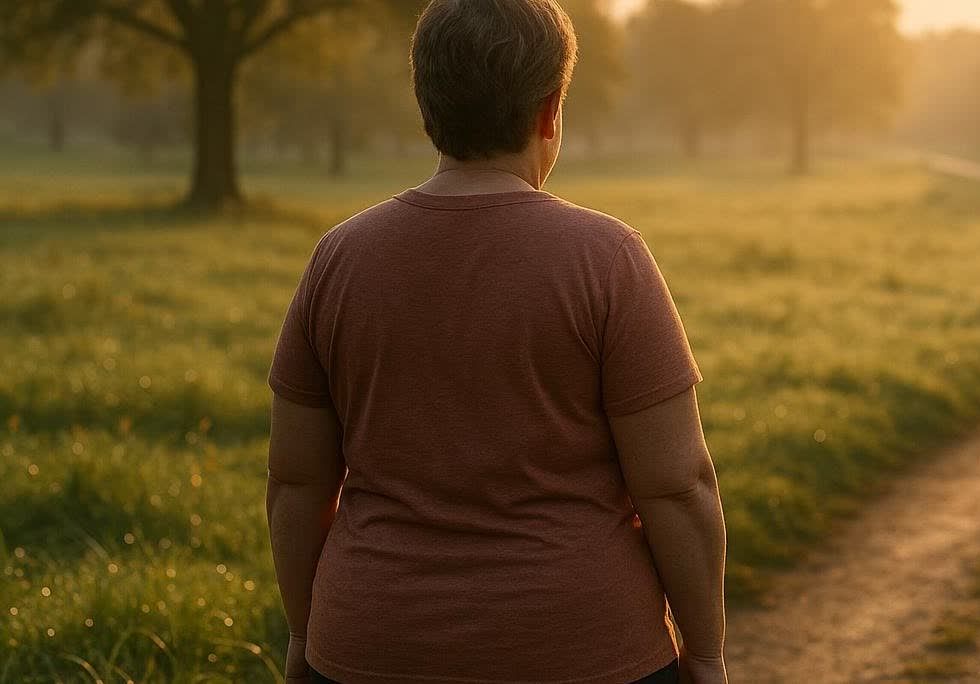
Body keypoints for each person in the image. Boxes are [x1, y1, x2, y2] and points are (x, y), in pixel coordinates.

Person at [263, 0, 728, 681]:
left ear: (428, 109)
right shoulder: (607, 258)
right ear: (548, 113)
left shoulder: (339, 258)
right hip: (586, 651)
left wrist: (306, 635)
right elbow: (679, 486)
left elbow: (297, 481)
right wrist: (708, 656)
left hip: (369, 647)